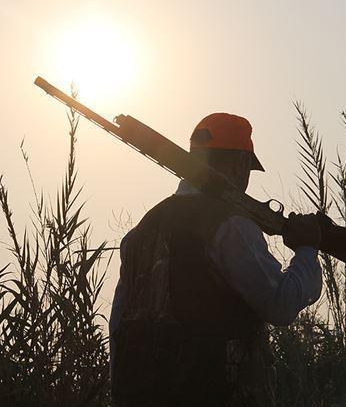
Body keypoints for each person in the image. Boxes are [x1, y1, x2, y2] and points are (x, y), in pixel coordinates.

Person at [109, 113, 323, 407]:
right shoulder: (231, 225)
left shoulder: (141, 231)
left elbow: (118, 327)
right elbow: (281, 304)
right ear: (240, 164)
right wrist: (308, 250)